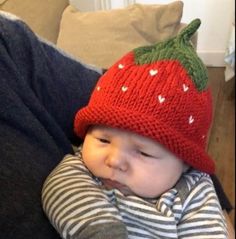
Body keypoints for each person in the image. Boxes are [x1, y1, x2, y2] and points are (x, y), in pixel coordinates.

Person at [0, 11, 233, 239]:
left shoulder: (194, 192)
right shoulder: (80, 169)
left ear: (185, 163)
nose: (114, 160)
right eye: (102, 139)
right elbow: (60, 191)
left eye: (143, 152)